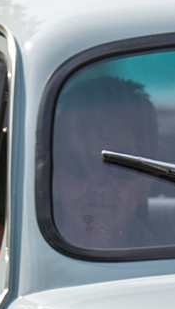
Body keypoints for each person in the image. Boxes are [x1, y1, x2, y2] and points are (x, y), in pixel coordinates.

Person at [52, 74, 161, 250]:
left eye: (121, 168)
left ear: (149, 179)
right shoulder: (12, 256)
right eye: (81, 165)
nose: (100, 186)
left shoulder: (173, 271)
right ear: (54, 174)